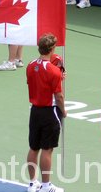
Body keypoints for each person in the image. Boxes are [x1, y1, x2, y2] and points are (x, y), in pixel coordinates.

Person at [26, 33, 66, 192]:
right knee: (47, 150)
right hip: (50, 112)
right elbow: (59, 96)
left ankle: (32, 183)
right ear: (52, 49)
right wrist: (64, 110)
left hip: (34, 111)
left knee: (33, 148)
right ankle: (45, 185)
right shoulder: (54, 71)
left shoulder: (30, 65)